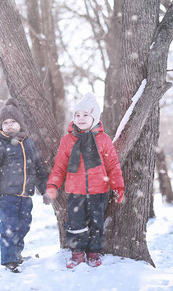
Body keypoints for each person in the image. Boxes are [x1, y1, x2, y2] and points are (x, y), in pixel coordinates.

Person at [46, 92, 124, 269]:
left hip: (99, 191)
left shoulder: (103, 140)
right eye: (77, 115)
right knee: (75, 223)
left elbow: (113, 164)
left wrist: (118, 186)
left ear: (94, 118)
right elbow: (60, 165)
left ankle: (93, 252)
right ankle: (77, 253)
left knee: (97, 223)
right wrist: (53, 184)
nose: (80, 119)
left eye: (85, 115)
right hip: (75, 192)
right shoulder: (67, 140)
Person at [0, 98, 52, 272]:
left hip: (25, 195)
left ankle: (16, 254)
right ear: (1, 126)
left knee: (23, 225)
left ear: (20, 123)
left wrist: (44, 190)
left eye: (13, 121)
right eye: (5, 123)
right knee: (9, 227)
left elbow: (38, 168)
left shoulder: (28, 142)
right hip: (7, 195)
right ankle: (9, 260)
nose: (9, 125)